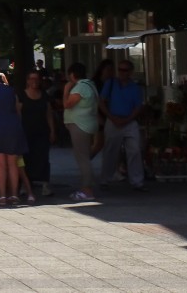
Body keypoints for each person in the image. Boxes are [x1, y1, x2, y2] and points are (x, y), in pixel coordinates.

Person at [0, 71, 29, 205]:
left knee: (0, 163)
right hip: (12, 126)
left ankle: (2, 195)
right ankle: (14, 194)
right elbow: (17, 109)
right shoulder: (11, 90)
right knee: (13, 163)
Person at [99, 59, 146, 191]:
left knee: (135, 150)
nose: (121, 73)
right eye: (119, 69)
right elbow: (101, 101)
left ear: (130, 72)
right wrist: (111, 117)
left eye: (125, 70)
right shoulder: (111, 83)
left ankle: (137, 181)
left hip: (129, 121)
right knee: (110, 151)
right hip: (113, 120)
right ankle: (105, 179)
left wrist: (128, 119)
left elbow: (138, 107)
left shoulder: (135, 87)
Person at [63, 63, 98, 201]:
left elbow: (67, 104)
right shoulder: (90, 85)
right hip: (86, 124)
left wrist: (66, 90)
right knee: (84, 156)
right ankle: (87, 187)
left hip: (80, 126)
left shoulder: (81, 87)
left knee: (82, 158)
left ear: (72, 74)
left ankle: (87, 190)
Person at [20, 70, 55, 198]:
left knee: (44, 157)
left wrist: (52, 130)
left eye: (36, 79)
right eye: (31, 79)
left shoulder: (44, 95)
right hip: (26, 131)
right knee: (26, 159)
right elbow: (18, 114)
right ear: (27, 80)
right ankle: (26, 184)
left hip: (42, 131)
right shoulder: (22, 95)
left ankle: (46, 184)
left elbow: (49, 114)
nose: (34, 82)